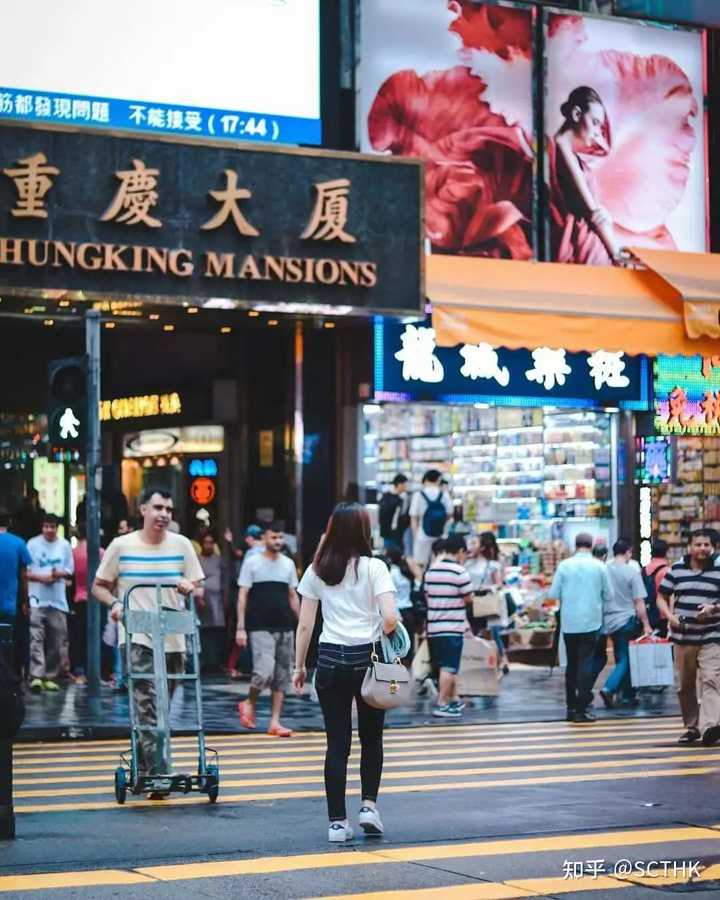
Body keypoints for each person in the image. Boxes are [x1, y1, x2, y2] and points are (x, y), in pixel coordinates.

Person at [292, 503, 397, 842]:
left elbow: (306, 625)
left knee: (337, 745)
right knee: (372, 738)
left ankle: (337, 823)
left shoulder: (317, 569)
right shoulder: (375, 568)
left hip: (330, 661)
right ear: (364, 530)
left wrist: (298, 667)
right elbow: (391, 617)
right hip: (368, 661)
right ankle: (368, 806)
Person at [92, 489, 204, 778]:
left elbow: (198, 585)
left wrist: (190, 587)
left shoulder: (182, 545)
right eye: (157, 507)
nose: (164, 514)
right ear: (143, 510)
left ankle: (143, 768)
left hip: (174, 637)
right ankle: (159, 772)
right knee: (148, 705)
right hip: (136, 635)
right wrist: (116, 603)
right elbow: (99, 586)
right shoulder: (121, 545)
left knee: (160, 709)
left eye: (168, 509)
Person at [657, 529, 720, 746]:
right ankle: (692, 727)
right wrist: (669, 616)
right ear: (690, 547)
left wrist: (713, 607)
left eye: (706, 545)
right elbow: (661, 598)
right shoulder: (676, 569)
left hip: (711, 635)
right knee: (685, 686)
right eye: (698, 544)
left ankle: (711, 726)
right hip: (683, 636)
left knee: (712, 679)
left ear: (713, 547)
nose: (702, 548)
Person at [236, 523, 300, 737]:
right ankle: (249, 701)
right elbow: (242, 595)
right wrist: (240, 627)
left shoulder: (288, 564)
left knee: (282, 675)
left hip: (284, 625)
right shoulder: (252, 562)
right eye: (273, 537)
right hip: (259, 626)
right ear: (264, 538)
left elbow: (293, 596)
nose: (278, 542)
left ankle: (274, 722)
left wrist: (301, 625)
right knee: (264, 672)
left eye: (280, 537)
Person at [548, 86, 618, 265]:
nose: (597, 133)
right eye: (595, 122)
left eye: (600, 127)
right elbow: (594, 215)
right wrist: (620, 258)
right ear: (577, 114)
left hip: (588, 244)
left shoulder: (561, 149)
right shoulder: (562, 149)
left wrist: (606, 216)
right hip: (589, 248)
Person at [548, 533, 613, 724]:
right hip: (591, 622)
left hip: (569, 623)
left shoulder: (564, 566)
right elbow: (609, 594)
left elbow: (552, 593)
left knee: (572, 665)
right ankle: (581, 709)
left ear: (575, 545)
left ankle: (570, 707)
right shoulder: (599, 566)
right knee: (586, 664)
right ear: (591, 545)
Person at [424, 534, 474, 718]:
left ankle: (452, 700)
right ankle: (442, 703)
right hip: (452, 627)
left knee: (443, 665)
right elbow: (468, 598)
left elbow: (427, 597)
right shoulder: (460, 572)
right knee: (449, 667)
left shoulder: (431, 571)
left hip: (434, 627)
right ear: (460, 551)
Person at [600, 540, 652, 708]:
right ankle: (609, 688)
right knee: (626, 659)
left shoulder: (604, 570)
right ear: (629, 552)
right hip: (626, 620)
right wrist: (646, 624)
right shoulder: (632, 572)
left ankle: (626, 694)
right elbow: (639, 602)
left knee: (620, 656)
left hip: (609, 621)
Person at [26, 513, 74, 692]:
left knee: (57, 639)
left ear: (57, 528)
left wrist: (56, 575)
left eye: (52, 527)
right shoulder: (32, 544)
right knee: (36, 637)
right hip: (37, 598)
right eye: (46, 526)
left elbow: (70, 570)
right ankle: (36, 675)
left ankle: (50, 675)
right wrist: (41, 578)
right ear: (42, 527)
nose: (49, 530)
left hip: (58, 600)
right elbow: (26, 571)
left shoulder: (65, 546)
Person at [467, 532, 510, 674]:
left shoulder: (492, 565)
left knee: (491, 633)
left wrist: (487, 588)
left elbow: (499, 584)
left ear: (482, 547)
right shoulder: (467, 563)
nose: (471, 546)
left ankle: (498, 660)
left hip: (486, 601)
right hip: (472, 601)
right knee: (472, 632)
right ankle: (476, 660)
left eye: (475, 543)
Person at [0, 508, 31, 677]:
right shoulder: (18, 543)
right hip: (10, 604)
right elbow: (23, 576)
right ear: (10, 522)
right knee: (10, 643)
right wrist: (25, 602)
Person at [409, 470, 453, 569]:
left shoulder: (418, 495)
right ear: (438, 480)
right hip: (440, 534)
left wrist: (415, 535)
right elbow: (450, 513)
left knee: (420, 563)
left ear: (426, 479)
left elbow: (413, 517)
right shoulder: (444, 494)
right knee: (440, 562)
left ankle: (422, 582)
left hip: (422, 534)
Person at [196, 530, 227, 672]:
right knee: (204, 631)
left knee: (217, 631)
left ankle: (216, 663)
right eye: (206, 543)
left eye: (211, 543)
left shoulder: (218, 560)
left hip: (217, 599)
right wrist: (199, 597)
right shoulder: (198, 559)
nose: (208, 545)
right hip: (203, 598)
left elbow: (225, 577)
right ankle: (204, 663)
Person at [384, 546, 419, 665]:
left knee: (398, 639)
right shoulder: (406, 571)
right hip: (409, 609)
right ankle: (409, 661)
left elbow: (391, 596)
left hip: (397, 610)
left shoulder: (391, 574)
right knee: (409, 638)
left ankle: (398, 662)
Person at [643, 539, 671, 637]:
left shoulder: (643, 570)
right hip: (662, 615)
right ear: (667, 552)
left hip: (646, 613)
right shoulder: (667, 571)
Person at [378, 474, 410, 552]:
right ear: (399, 484)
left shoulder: (385, 496)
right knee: (393, 553)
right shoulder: (398, 499)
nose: (406, 487)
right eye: (405, 485)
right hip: (393, 533)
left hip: (389, 532)